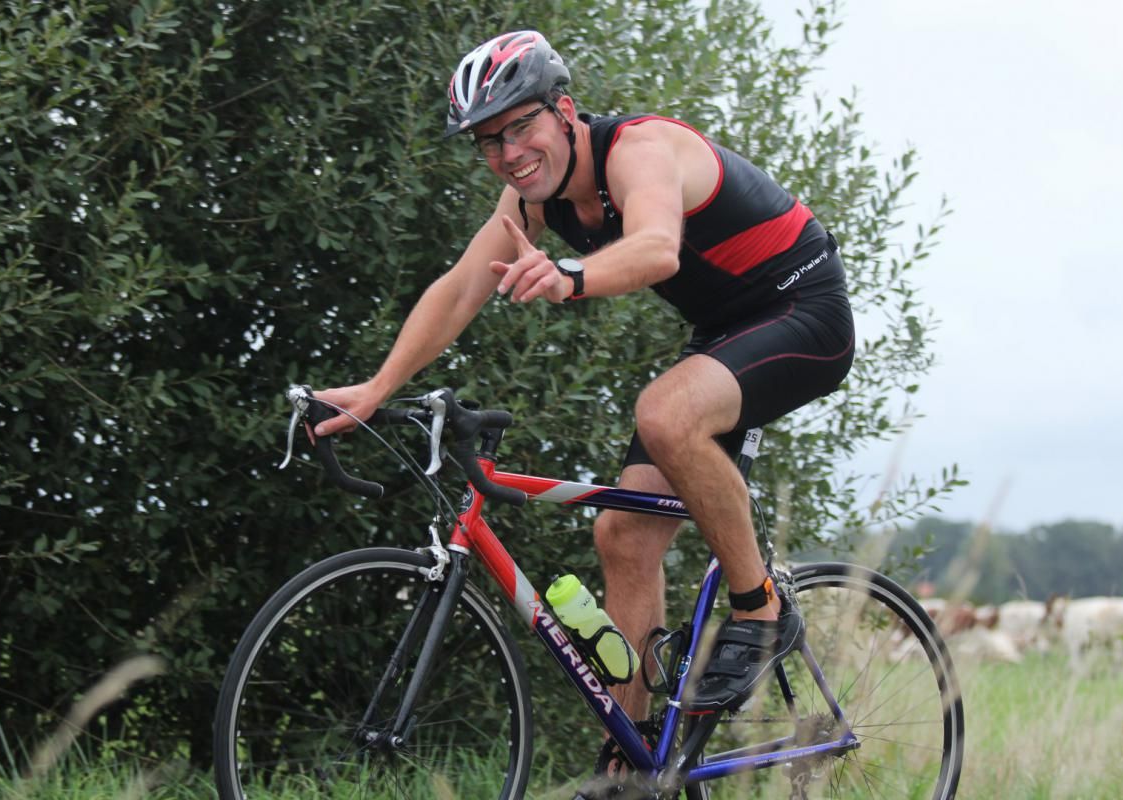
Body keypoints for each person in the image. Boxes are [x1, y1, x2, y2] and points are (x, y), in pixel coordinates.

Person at [313, 30, 854, 722]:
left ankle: (760, 609)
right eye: (489, 140)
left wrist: (571, 275)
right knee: (622, 537)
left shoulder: (640, 150)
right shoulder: (535, 199)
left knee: (664, 414)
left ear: (564, 110)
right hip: (727, 334)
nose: (510, 153)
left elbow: (658, 247)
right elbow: (459, 289)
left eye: (521, 125)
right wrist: (377, 386)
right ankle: (627, 769)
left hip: (804, 306)